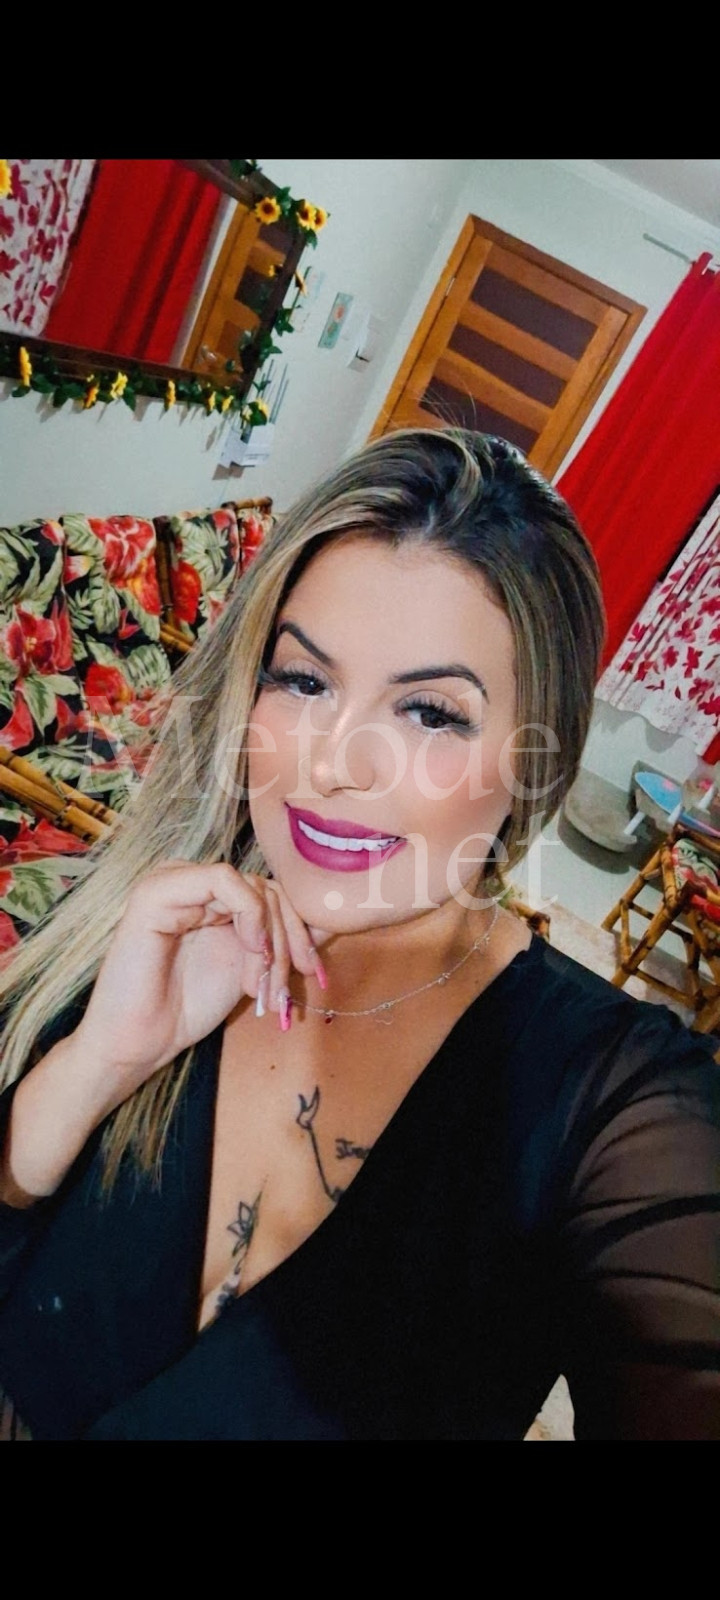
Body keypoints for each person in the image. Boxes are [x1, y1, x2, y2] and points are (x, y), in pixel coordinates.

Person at [0, 427, 718, 1441]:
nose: (335, 764)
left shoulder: (616, 1107)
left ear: (533, 763)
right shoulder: (159, 928)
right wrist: (95, 1066)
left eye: (430, 713)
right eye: (304, 681)